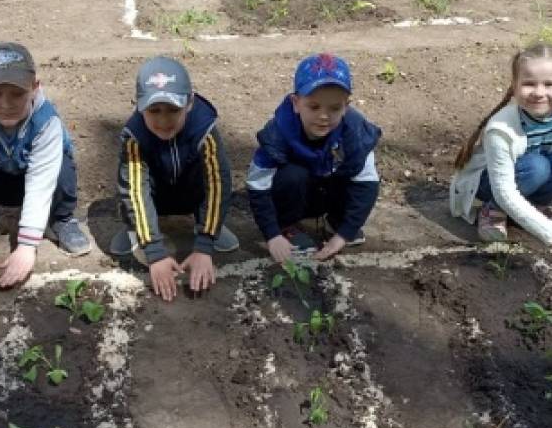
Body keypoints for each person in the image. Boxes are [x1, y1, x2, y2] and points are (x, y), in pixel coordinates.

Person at [0, 42, 90, 288]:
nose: (7, 103)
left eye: (17, 94)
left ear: (35, 88)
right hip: (2, 176)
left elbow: (41, 182)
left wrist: (26, 245)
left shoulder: (46, 122)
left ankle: (62, 219)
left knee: (62, 167)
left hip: (36, 179)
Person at [449, 43, 552, 269]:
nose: (539, 92)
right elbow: (504, 189)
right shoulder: (501, 128)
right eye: (529, 84)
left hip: (531, 177)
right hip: (492, 184)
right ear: (515, 85)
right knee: (538, 167)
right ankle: (493, 210)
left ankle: (531, 208)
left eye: (549, 84)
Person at [112, 56, 237, 301]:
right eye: (154, 110)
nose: (163, 120)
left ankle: (209, 226)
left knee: (212, 181)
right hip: (155, 195)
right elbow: (135, 191)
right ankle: (136, 231)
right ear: (138, 106)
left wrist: (204, 245)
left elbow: (217, 183)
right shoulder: (133, 135)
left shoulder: (205, 128)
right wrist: (154, 252)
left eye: (173, 110)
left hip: (189, 193)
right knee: (130, 192)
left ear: (189, 103)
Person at [247, 53, 381, 263]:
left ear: (346, 105)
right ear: (296, 103)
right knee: (293, 174)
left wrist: (344, 235)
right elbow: (257, 185)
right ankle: (286, 226)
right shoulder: (278, 133)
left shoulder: (355, 132)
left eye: (335, 108)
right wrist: (271, 234)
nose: (324, 116)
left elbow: (367, 184)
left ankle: (336, 223)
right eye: (314, 107)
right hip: (297, 193)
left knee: (350, 170)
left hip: (329, 190)